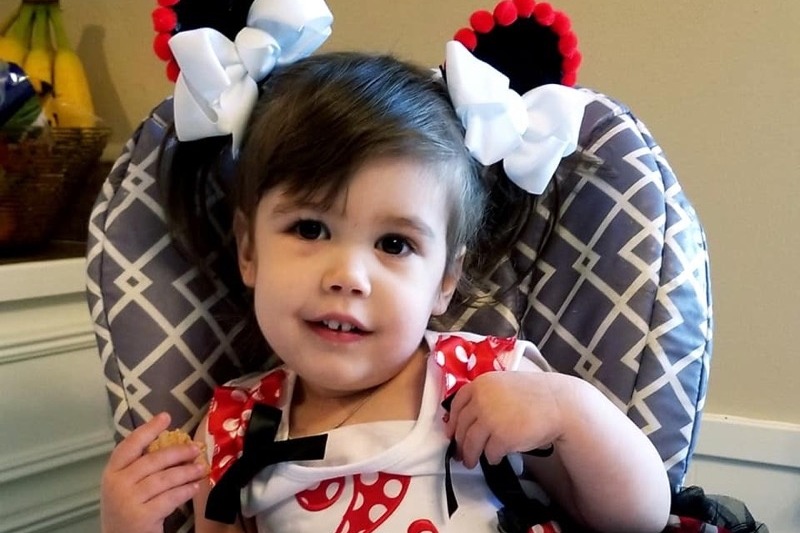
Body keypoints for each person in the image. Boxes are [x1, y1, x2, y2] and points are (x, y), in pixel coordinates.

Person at [100, 44, 671, 533]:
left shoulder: (487, 381)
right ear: (249, 250)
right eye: (310, 229)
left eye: (394, 244)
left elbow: (637, 520)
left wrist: (569, 412)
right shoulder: (232, 428)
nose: (348, 275)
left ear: (445, 281)